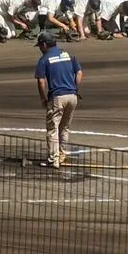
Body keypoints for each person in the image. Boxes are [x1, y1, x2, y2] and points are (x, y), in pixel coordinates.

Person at [34, 32, 83, 168]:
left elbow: (41, 81)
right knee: (64, 127)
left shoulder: (44, 59)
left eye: (40, 46)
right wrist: (74, 88)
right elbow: (79, 72)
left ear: (44, 45)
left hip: (57, 97)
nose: (40, 48)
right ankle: (61, 155)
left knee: (53, 129)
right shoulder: (68, 55)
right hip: (72, 96)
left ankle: (53, 160)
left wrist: (43, 99)